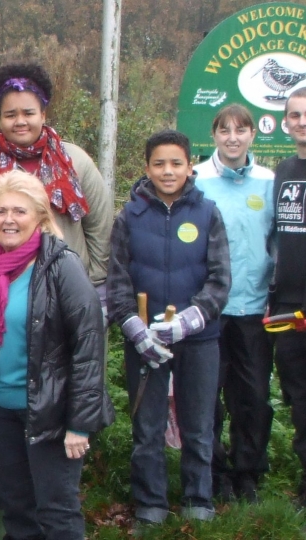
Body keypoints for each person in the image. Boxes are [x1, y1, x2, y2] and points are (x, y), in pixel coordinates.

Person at [0, 170, 107, 539]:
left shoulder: (61, 267)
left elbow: (89, 345)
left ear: (40, 216)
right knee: (16, 509)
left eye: (20, 211)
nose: (9, 220)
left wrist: (79, 424)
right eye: (1, 211)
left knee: (56, 513)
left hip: (50, 412)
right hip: (0, 409)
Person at [108, 130, 231, 525]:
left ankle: (198, 498)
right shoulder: (129, 216)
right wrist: (134, 330)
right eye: (159, 163)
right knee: (148, 426)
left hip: (199, 341)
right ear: (146, 167)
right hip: (146, 342)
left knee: (199, 425)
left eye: (176, 163)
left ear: (189, 165)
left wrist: (191, 320)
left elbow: (219, 280)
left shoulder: (207, 212)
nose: (168, 171)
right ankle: (151, 503)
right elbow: (117, 281)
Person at [0, 63, 112, 297]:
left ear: (43, 115)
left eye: (28, 113)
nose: (20, 121)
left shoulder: (76, 161)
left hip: (69, 287)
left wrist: (91, 282)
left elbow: (100, 227)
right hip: (5, 290)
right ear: (0, 118)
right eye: (10, 115)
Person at [195, 104, 275, 503]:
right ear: (214, 135)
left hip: (254, 309)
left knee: (253, 398)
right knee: (208, 398)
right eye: (224, 130)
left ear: (251, 136)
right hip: (209, 311)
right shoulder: (198, 180)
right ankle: (215, 473)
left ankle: (248, 474)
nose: (232, 137)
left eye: (240, 130)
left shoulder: (268, 181)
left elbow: (277, 241)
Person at [271, 86, 306, 506]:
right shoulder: (283, 171)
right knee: (298, 399)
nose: (302, 122)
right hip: (288, 308)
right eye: (295, 115)